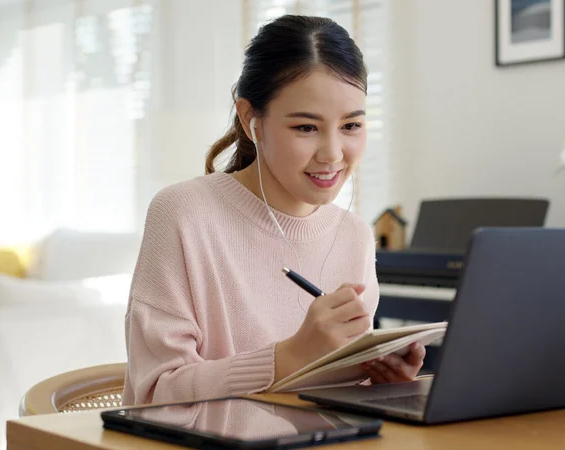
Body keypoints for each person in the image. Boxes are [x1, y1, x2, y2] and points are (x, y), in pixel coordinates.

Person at [122, 15, 424, 405]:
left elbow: (325, 403)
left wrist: (379, 383)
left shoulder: (354, 235)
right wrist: (290, 357)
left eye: (351, 126)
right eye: (305, 128)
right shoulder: (183, 213)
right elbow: (153, 393)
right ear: (252, 121)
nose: (333, 154)